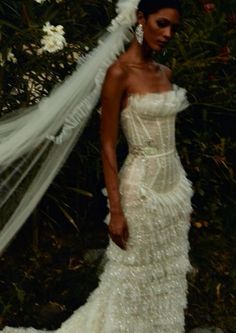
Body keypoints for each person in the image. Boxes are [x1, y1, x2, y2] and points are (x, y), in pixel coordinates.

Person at [1, 0, 193, 332]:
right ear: (140, 19)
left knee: (166, 272)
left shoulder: (164, 73)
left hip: (173, 188)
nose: (167, 33)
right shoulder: (119, 73)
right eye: (161, 23)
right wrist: (116, 210)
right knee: (132, 275)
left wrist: (182, 193)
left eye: (173, 27)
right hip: (141, 190)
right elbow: (108, 144)